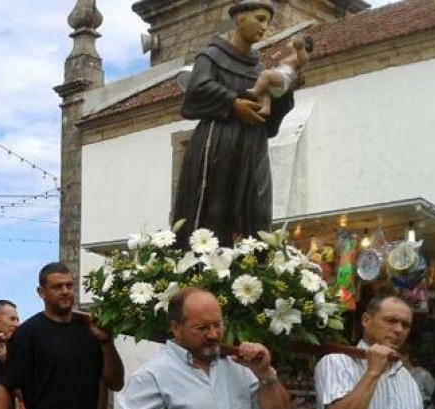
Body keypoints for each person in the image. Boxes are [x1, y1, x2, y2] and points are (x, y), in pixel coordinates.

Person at [172, 0, 297, 248]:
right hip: (219, 143)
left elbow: (268, 117)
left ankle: (256, 263)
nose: (265, 27)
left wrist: (285, 91)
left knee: (258, 209)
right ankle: (207, 270)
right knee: (216, 210)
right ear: (240, 20)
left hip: (253, 146)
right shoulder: (211, 56)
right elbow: (197, 90)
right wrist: (233, 103)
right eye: (260, 19)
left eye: (268, 22)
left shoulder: (260, 69)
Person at [117, 287, 290, 409]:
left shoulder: (240, 367)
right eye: (202, 328)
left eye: (217, 325)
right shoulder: (152, 377)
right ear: (176, 328)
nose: (213, 335)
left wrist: (265, 373)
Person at [0, 262, 124, 409]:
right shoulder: (27, 333)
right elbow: (7, 386)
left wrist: (107, 342)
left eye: (69, 285)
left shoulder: (91, 330)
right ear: (41, 292)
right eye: (57, 287)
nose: (65, 291)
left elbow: (116, 383)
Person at [314, 294, 422, 408]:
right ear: (366, 320)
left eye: (405, 325)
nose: (399, 330)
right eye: (391, 321)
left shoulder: (406, 378)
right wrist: (373, 372)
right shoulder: (336, 363)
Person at [245, 34, 313, 116]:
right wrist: (274, 60)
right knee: (264, 88)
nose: (290, 41)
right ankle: (266, 107)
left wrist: (300, 47)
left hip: (284, 81)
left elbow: (304, 59)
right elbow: (273, 66)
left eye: (292, 40)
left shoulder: (298, 57)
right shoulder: (288, 57)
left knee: (265, 74)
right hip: (278, 84)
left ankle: (255, 90)